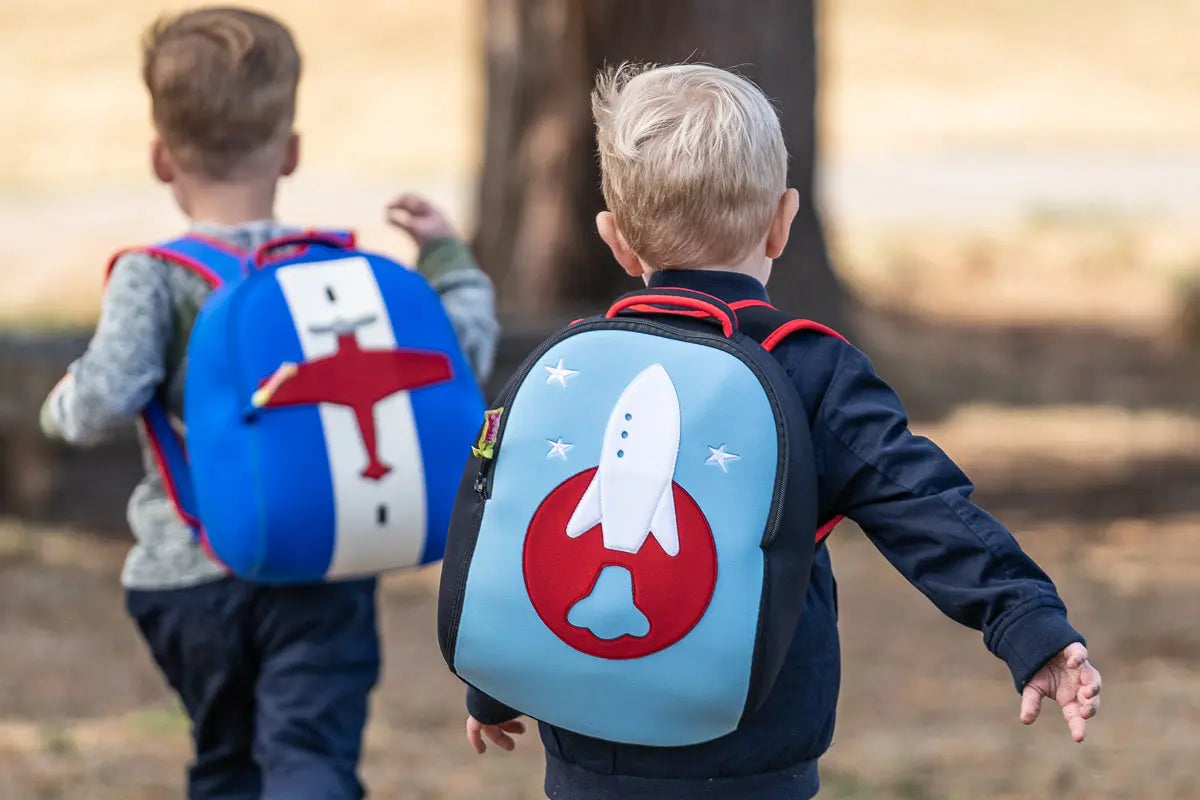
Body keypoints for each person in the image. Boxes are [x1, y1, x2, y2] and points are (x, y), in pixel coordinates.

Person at [462, 63, 1100, 800]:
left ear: (615, 240)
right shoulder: (810, 370)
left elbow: (513, 532)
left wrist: (494, 683)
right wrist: (1028, 624)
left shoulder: (566, 367)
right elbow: (920, 502)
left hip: (588, 743)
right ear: (783, 220)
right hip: (751, 748)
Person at [38, 8, 498, 799]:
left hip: (190, 578)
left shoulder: (154, 277)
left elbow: (104, 397)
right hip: (324, 562)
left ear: (159, 157)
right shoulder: (341, 276)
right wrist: (448, 257)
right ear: (291, 152)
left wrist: (58, 407)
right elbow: (460, 350)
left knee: (226, 763)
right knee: (309, 759)